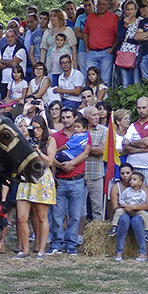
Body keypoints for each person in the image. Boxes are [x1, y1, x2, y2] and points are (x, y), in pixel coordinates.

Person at [48, 108, 90, 255]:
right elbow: (50, 155)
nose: (65, 120)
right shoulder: (55, 136)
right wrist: (61, 166)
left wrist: (71, 163)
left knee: (75, 215)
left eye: (68, 117)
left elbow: (86, 152)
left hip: (77, 180)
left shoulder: (84, 134)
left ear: (75, 118)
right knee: (57, 215)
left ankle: (70, 244)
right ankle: (56, 244)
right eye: (63, 117)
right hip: (60, 180)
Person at [15, 116, 56, 258]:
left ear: (43, 128)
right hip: (26, 177)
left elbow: (49, 161)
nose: (35, 131)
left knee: (41, 216)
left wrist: (38, 151)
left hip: (42, 178)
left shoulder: (50, 140)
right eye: (33, 128)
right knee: (21, 217)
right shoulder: (25, 139)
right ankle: (25, 250)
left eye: (38, 128)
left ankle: (41, 250)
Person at [113, 170, 148, 262]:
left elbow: (145, 204)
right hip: (125, 209)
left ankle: (143, 249)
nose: (131, 181)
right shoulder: (126, 191)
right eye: (131, 179)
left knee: (139, 219)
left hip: (137, 211)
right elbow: (121, 200)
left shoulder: (142, 192)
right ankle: (119, 251)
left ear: (140, 182)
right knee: (123, 218)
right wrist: (125, 206)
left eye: (134, 179)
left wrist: (134, 207)